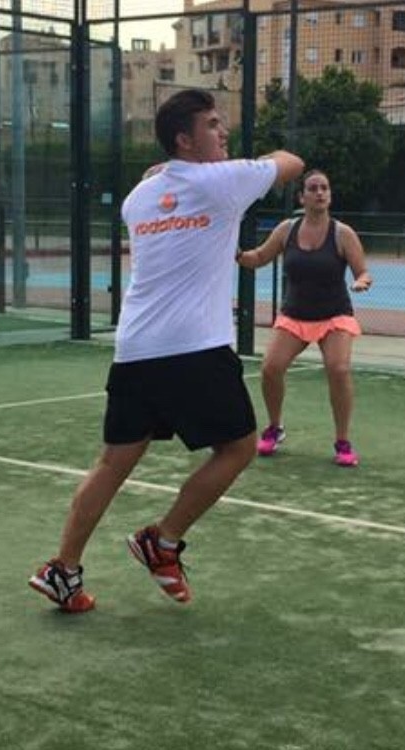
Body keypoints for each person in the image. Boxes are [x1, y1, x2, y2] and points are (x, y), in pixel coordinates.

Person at [29, 89, 304, 613]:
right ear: (185, 139)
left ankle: (63, 569)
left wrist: (165, 173)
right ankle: (163, 540)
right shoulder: (222, 182)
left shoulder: (139, 197)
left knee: (112, 463)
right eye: (213, 124)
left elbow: (169, 191)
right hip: (193, 347)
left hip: (135, 348)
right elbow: (292, 162)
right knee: (239, 448)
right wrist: (239, 165)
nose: (223, 132)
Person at [235, 169, 372, 467]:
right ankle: (275, 428)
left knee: (338, 369)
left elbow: (362, 271)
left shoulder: (343, 233)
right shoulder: (287, 230)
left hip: (334, 316)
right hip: (295, 315)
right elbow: (259, 257)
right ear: (302, 197)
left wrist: (362, 281)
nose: (319, 193)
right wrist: (235, 254)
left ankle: (343, 441)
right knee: (271, 368)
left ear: (330, 195)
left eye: (324, 188)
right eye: (313, 188)